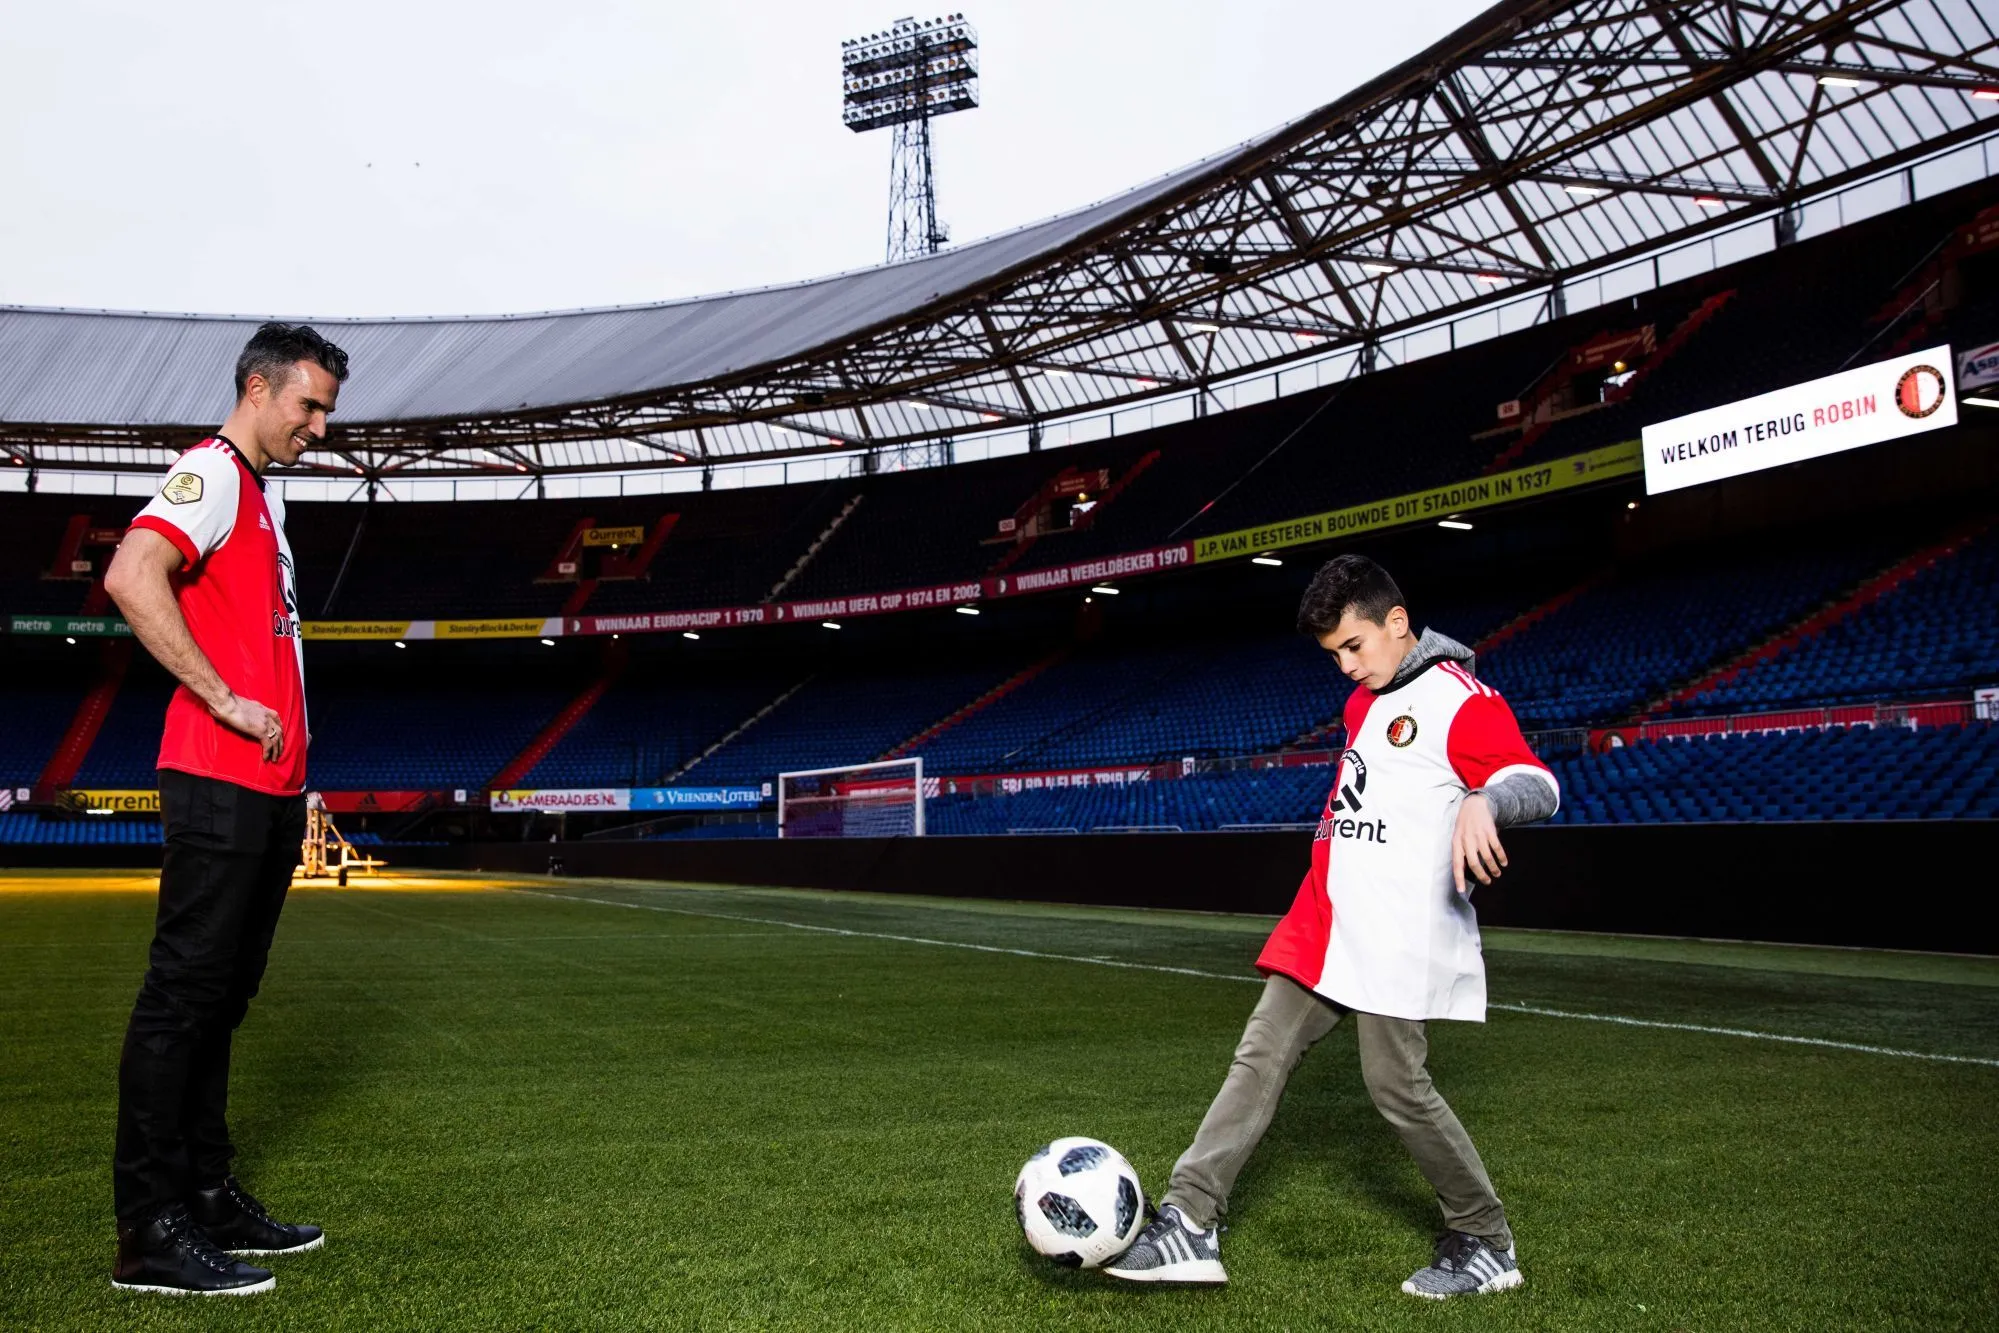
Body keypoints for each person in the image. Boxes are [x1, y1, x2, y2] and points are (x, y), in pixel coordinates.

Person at [1106, 553, 1558, 1299]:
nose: (1345, 666)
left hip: (1396, 933)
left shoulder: (1460, 700)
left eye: (1354, 646)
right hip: (1325, 922)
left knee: (1396, 1088)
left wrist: (1487, 801)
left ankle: (1484, 1239)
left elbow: (1536, 781)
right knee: (1259, 1056)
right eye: (1332, 655)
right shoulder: (1362, 703)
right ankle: (1189, 1220)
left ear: (1396, 623)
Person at [103, 322, 349, 1296]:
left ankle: (204, 1192)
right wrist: (223, 697)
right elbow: (131, 573)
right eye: (308, 405)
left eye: (326, 408)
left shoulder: (260, 495)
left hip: (269, 791)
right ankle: (148, 1228)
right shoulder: (210, 475)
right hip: (218, 777)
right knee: (183, 998)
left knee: (219, 1002)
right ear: (258, 388)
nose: (319, 426)